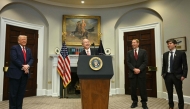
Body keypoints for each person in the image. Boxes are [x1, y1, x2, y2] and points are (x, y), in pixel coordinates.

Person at [6, 35, 34, 109]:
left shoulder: (28, 50)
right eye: (22, 39)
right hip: (15, 74)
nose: (24, 41)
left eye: (25, 39)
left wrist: (27, 65)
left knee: (21, 94)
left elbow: (31, 59)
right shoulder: (14, 48)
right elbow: (14, 59)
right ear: (18, 41)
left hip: (24, 75)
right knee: (13, 94)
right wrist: (23, 66)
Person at [162, 39, 188, 109]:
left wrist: (184, 75)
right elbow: (164, 65)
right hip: (167, 76)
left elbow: (185, 65)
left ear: (175, 44)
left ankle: (181, 107)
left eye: (170, 43)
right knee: (169, 92)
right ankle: (171, 106)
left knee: (179, 93)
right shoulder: (165, 54)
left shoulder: (181, 53)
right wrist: (163, 74)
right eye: (168, 44)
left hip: (177, 76)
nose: (168, 45)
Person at [126, 39, 148, 109]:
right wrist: (134, 69)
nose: (133, 44)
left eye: (134, 42)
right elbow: (128, 62)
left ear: (138, 43)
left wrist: (139, 69)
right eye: (132, 43)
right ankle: (134, 102)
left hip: (141, 73)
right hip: (132, 73)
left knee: (142, 88)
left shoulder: (143, 51)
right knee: (133, 89)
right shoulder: (129, 52)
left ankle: (144, 103)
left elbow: (145, 62)